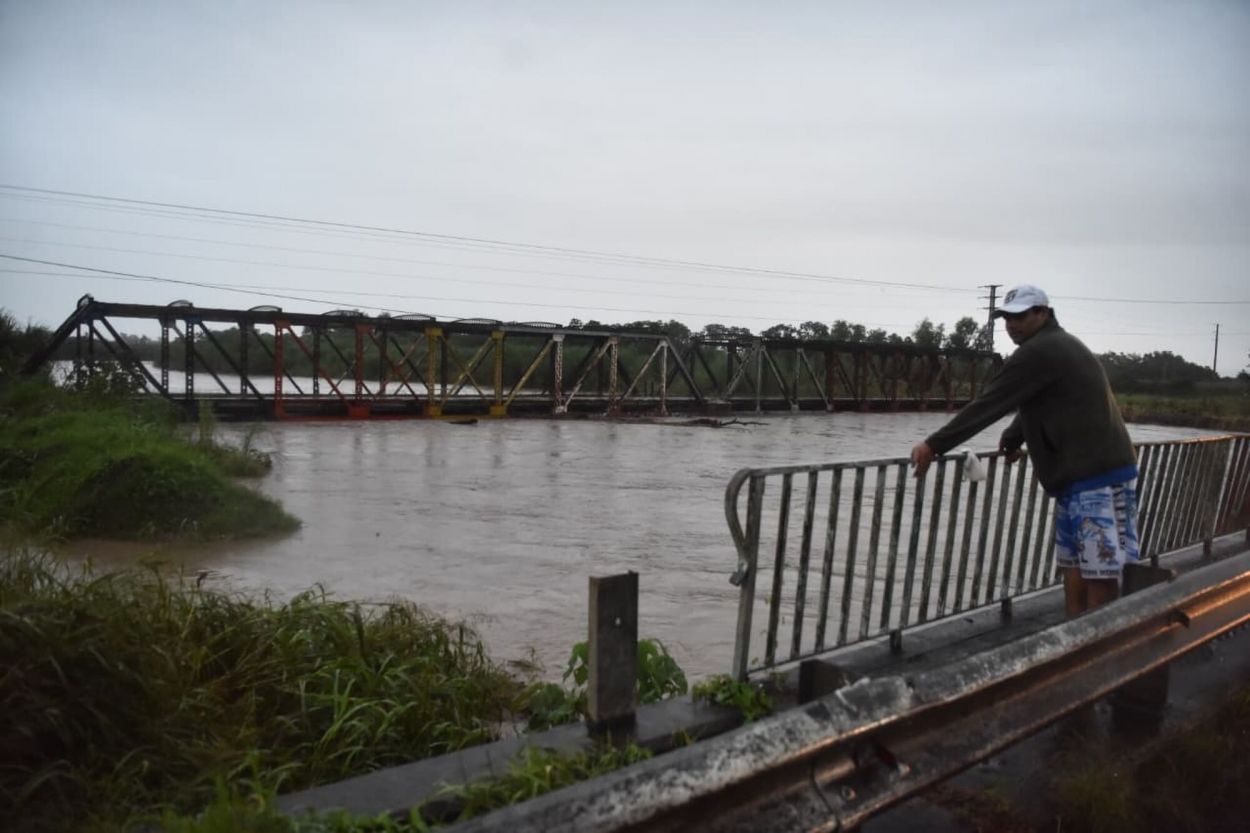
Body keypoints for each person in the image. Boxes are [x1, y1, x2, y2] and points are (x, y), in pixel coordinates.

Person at [909, 284, 1139, 617]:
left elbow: (990, 402)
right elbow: (1044, 397)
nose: (1011, 324)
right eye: (1006, 317)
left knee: (1100, 570)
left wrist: (933, 445)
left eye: (1019, 316)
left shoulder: (1040, 350)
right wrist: (1016, 435)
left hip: (1099, 478)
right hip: (1080, 479)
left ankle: (1095, 648)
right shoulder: (1056, 345)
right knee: (1073, 563)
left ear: (1042, 313)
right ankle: (1073, 639)